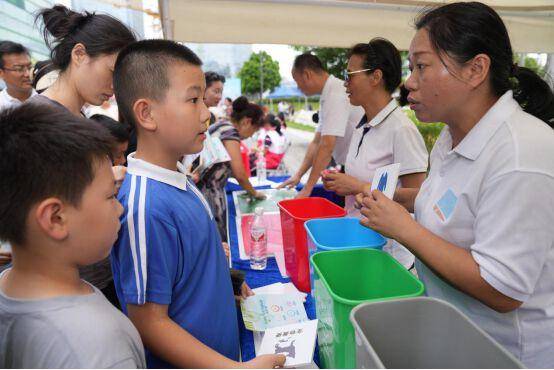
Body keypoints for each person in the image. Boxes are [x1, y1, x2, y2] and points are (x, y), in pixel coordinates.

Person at [357, 2, 554, 367]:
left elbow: (502, 289)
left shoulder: (521, 154)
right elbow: (451, 202)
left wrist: (403, 229)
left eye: (421, 66)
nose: (409, 82)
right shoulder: (452, 138)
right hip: (456, 337)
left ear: (476, 69)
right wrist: (399, 198)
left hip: (505, 353)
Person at [111, 39, 284, 369]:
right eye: (193, 100)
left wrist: (223, 280)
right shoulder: (143, 207)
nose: (207, 113)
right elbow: (149, 323)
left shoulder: (177, 177)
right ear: (146, 113)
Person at [0, 104, 145, 368]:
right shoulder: (101, 349)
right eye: (111, 196)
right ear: (56, 218)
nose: (120, 207)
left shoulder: (7, 286)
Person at [33, 4, 136, 307]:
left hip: (93, 277)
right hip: (66, 285)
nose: (115, 89)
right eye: (113, 73)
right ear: (79, 55)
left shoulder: (77, 117)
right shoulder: (42, 121)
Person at [322, 39, 428, 268]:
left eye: (350, 75)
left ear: (376, 77)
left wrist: (357, 186)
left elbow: (420, 198)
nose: (345, 83)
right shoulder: (363, 125)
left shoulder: (401, 129)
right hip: (361, 242)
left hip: (388, 256)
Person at [278, 53, 363, 198]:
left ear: (307, 75)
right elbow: (317, 142)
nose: (298, 87)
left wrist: (308, 188)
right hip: (349, 167)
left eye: (297, 81)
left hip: (360, 170)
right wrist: (298, 176)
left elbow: (326, 146)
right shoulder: (328, 93)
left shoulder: (336, 93)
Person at [197, 96, 267, 241]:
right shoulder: (231, 133)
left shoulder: (221, 124)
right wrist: (254, 193)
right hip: (210, 194)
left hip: (200, 188)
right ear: (247, 122)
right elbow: (239, 173)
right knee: (219, 241)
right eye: (253, 132)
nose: (250, 136)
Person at [0, 41, 36, 110]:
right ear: (1, 73)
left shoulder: (46, 97)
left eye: (30, 67)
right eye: (19, 69)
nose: (28, 74)